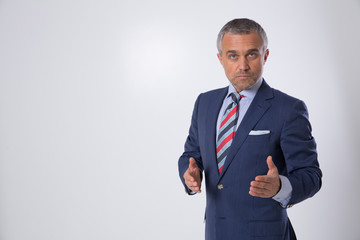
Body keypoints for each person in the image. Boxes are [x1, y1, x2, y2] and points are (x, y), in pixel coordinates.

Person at [178, 18, 322, 240]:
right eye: (233, 55)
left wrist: (280, 187)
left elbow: (311, 175)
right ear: (221, 59)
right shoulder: (204, 103)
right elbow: (191, 154)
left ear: (265, 56)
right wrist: (189, 173)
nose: (242, 65)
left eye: (252, 54)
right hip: (215, 232)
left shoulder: (289, 109)